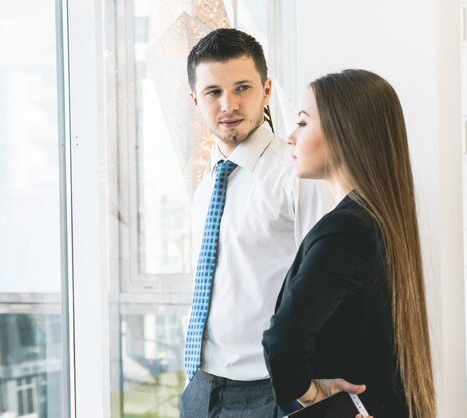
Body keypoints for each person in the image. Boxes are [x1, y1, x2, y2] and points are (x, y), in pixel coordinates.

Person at [262, 69, 437, 418]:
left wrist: (313, 395)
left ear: (345, 133)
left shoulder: (346, 230)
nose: (290, 137)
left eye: (302, 122)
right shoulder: (378, 219)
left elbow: (282, 344)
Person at [180, 28, 330, 417]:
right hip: (199, 387)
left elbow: (328, 289)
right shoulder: (207, 185)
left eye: (242, 87)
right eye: (213, 92)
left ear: (265, 91)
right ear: (196, 101)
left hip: (269, 391)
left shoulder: (296, 175)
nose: (228, 104)